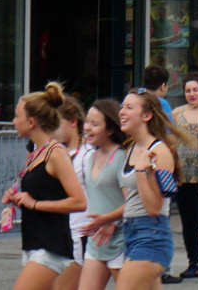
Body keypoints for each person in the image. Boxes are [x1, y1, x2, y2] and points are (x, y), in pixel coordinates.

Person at [5, 84, 87, 290]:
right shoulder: (36, 153)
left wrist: (34, 204)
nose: (14, 122)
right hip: (34, 241)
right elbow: (45, 191)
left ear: (31, 122)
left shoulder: (56, 153)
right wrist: (19, 197)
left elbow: (79, 201)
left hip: (51, 245)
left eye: (17, 117)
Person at [115, 90, 181, 290]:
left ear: (147, 116)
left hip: (150, 235)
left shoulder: (159, 152)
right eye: (122, 107)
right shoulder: (131, 148)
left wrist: (141, 171)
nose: (122, 112)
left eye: (129, 107)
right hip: (131, 231)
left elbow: (154, 208)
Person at [166, 75, 198, 284]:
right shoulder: (177, 114)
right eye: (188, 90)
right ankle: (193, 263)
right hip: (184, 176)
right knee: (188, 222)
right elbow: (170, 141)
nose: (192, 94)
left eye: (195, 90)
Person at [74, 102, 129, 290]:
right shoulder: (91, 158)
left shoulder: (121, 158)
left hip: (121, 240)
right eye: (87, 122)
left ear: (111, 129)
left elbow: (133, 202)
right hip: (96, 241)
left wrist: (111, 220)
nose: (87, 127)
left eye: (95, 124)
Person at [54, 97, 88, 290]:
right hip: (58, 233)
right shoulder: (55, 153)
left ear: (73, 122)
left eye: (57, 123)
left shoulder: (88, 153)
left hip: (79, 232)